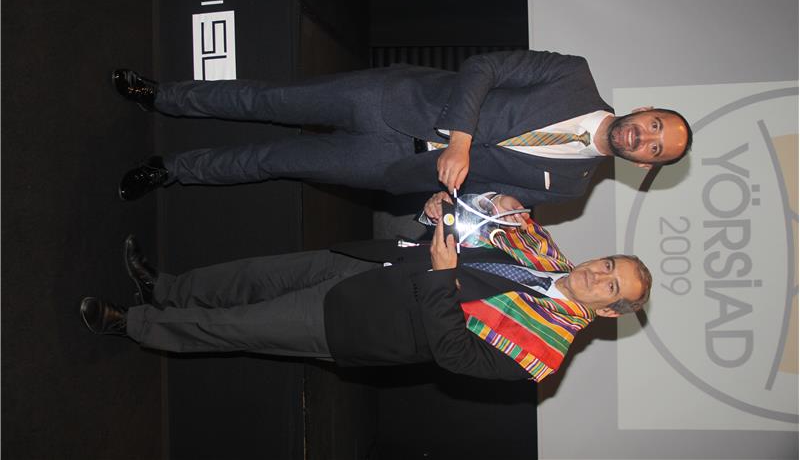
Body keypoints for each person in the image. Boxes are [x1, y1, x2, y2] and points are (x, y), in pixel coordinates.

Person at [80, 193, 652, 382]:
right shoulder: (539, 244)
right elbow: (467, 222)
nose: (597, 275)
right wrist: (438, 212)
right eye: (608, 264)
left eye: (611, 287)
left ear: (609, 312)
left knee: (236, 327)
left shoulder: (544, 354)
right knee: (251, 274)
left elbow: (453, 354)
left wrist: (440, 277)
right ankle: (166, 288)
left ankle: (134, 324)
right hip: (369, 260)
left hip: (360, 323)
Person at [114, 49, 692, 206]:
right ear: (647, 109)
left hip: (395, 168)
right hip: (390, 102)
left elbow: (486, 193)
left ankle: (170, 172)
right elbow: (483, 67)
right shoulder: (573, 76)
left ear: (646, 165)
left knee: (275, 160)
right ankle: (161, 96)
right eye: (655, 125)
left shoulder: (570, 190)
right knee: (269, 100)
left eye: (655, 149)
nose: (644, 137)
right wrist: (461, 139)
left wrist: (467, 205)